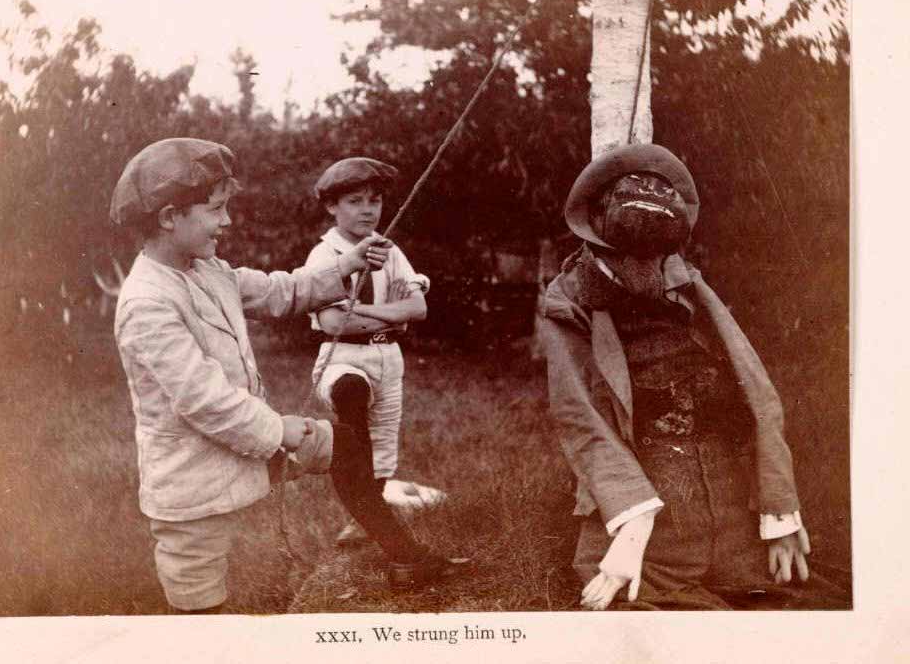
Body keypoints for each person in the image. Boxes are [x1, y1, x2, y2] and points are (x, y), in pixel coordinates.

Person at [109, 138, 464, 610]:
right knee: (199, 598)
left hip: (243, 441)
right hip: (191, 480)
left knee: (347, 444)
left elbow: (284, 291)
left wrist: (347, 264)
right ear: (169, 217)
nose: (227, 221)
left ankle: (407, 558)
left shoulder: (207, 269)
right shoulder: (147, 302)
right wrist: (281, 431)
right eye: (216, 209)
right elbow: (205, 401)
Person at [542, 143, 849, 610]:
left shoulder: (685, 281)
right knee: (646, 610)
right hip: (646, 483)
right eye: (632, 260)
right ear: (600, 230)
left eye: (657, 260)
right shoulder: (568, 297)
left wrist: (779, 510)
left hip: (723, 485)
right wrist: (631, 523)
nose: (649, 273)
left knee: (796, 601)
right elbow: (578, 414)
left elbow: (756, 390)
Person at [304, 157, 430, 547]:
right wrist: (392, 316)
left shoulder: (389, 250)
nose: (368, 210)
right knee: (350, 397)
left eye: (374, 200)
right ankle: (360, 510)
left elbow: (418, 309)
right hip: (342, 355)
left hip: (387, 356)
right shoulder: (325, 256)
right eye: (355, 201)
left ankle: (368, 515)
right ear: (332, 206)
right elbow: (333, 324)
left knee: (383, 440)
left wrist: (362, 311)